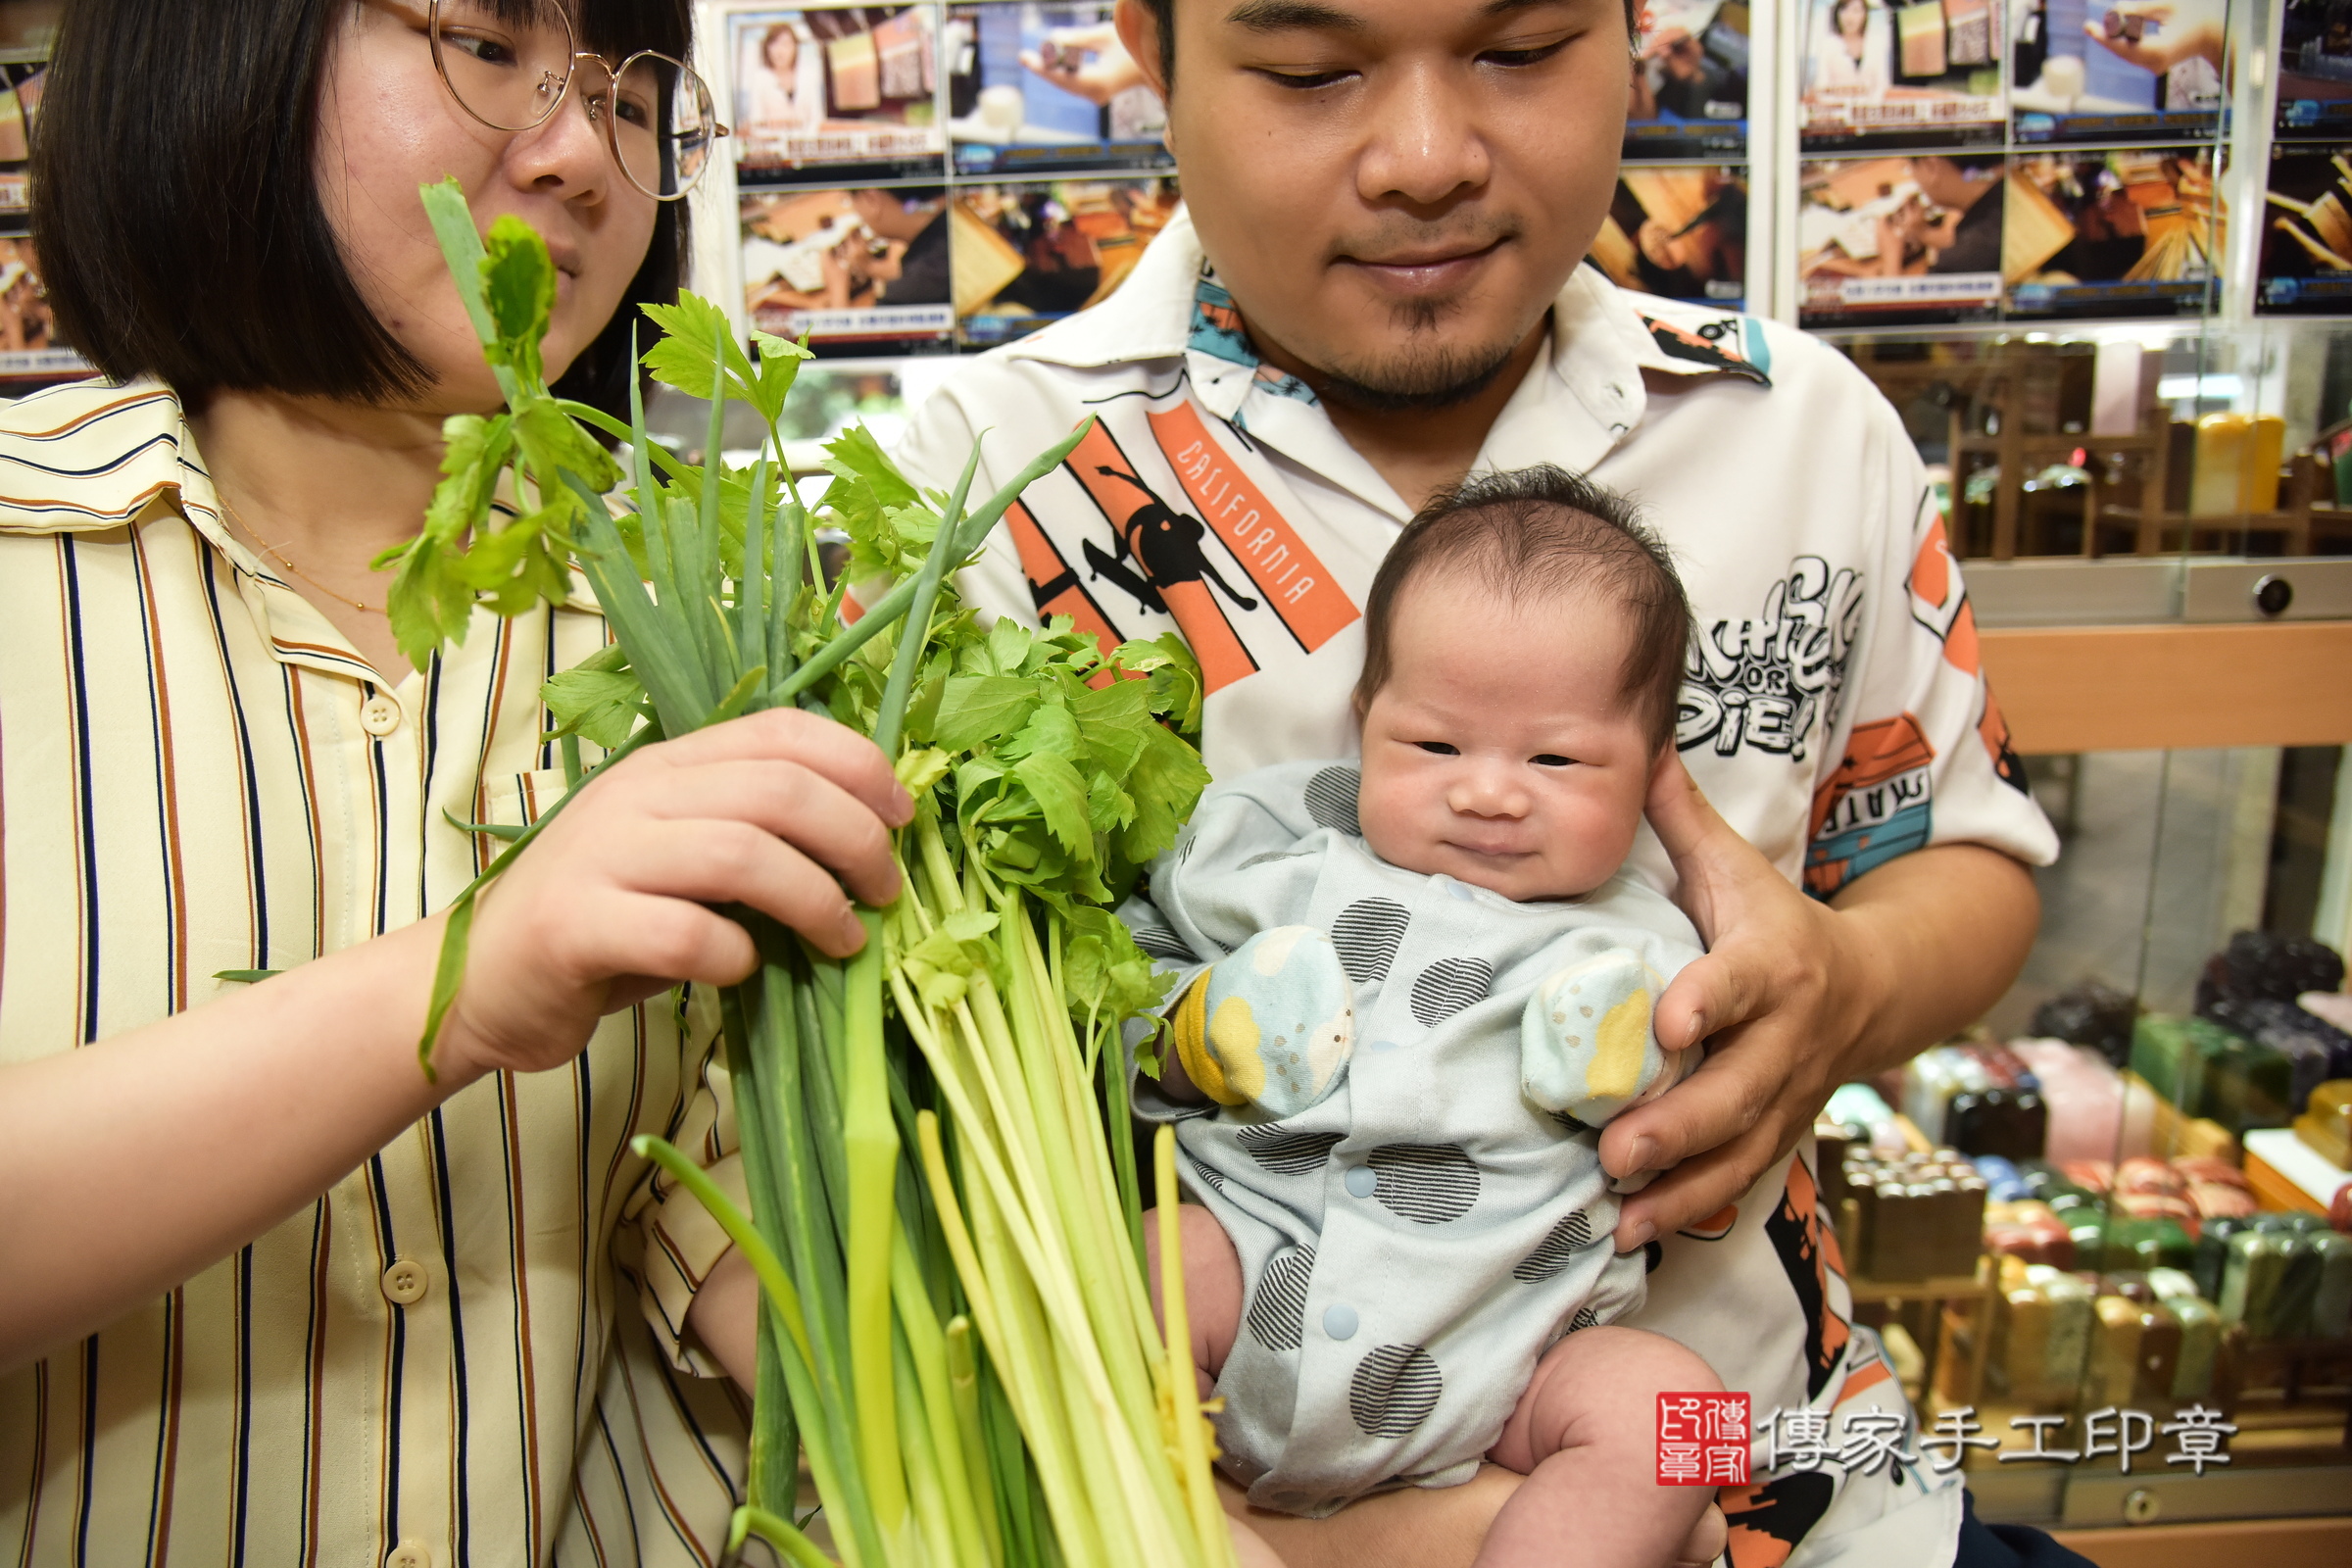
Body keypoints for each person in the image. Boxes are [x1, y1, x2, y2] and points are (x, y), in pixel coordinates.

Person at [871, 0, 2073, 1561]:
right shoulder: (975, 480)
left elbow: (1967, 867)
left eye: (1518, 53)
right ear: (1148, 58)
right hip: (1183, 1487)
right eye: (1312, 74)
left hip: (1769, 1454)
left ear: (1639, 34)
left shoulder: (1801, 432)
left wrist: (1847, 978)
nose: (1428, 159)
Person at [1, 4, 909, 1564]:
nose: (578, 156)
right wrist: (463, 983)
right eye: (485, 44)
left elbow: (746, 1240)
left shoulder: (720, 626)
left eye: (633, 95)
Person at [1132, 467, 1722, 1567]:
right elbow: (1124, 965)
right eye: (1435, 747)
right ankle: (1180, 1529)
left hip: (1510, 1340)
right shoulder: (1277, 849)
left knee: (1696, 1423)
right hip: (1261, 1261)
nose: (1489, 792)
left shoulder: (1644, 932)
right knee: (1123, 1277)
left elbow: (1699, 1096)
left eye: (1557, 759)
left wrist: (1640, 1058)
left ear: (1651, 770)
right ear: (1367, 725)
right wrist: (1195, 1025)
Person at [1808, 0, 1890, 99]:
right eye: (1844, 10)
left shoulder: (1876, 44)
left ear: (1864, 14)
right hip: (1837, 110)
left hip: (1870, 110)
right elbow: (1822, 88)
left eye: (1856, 11)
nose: (1849, 17)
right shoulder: (1828, 45)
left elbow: (1882, 85)